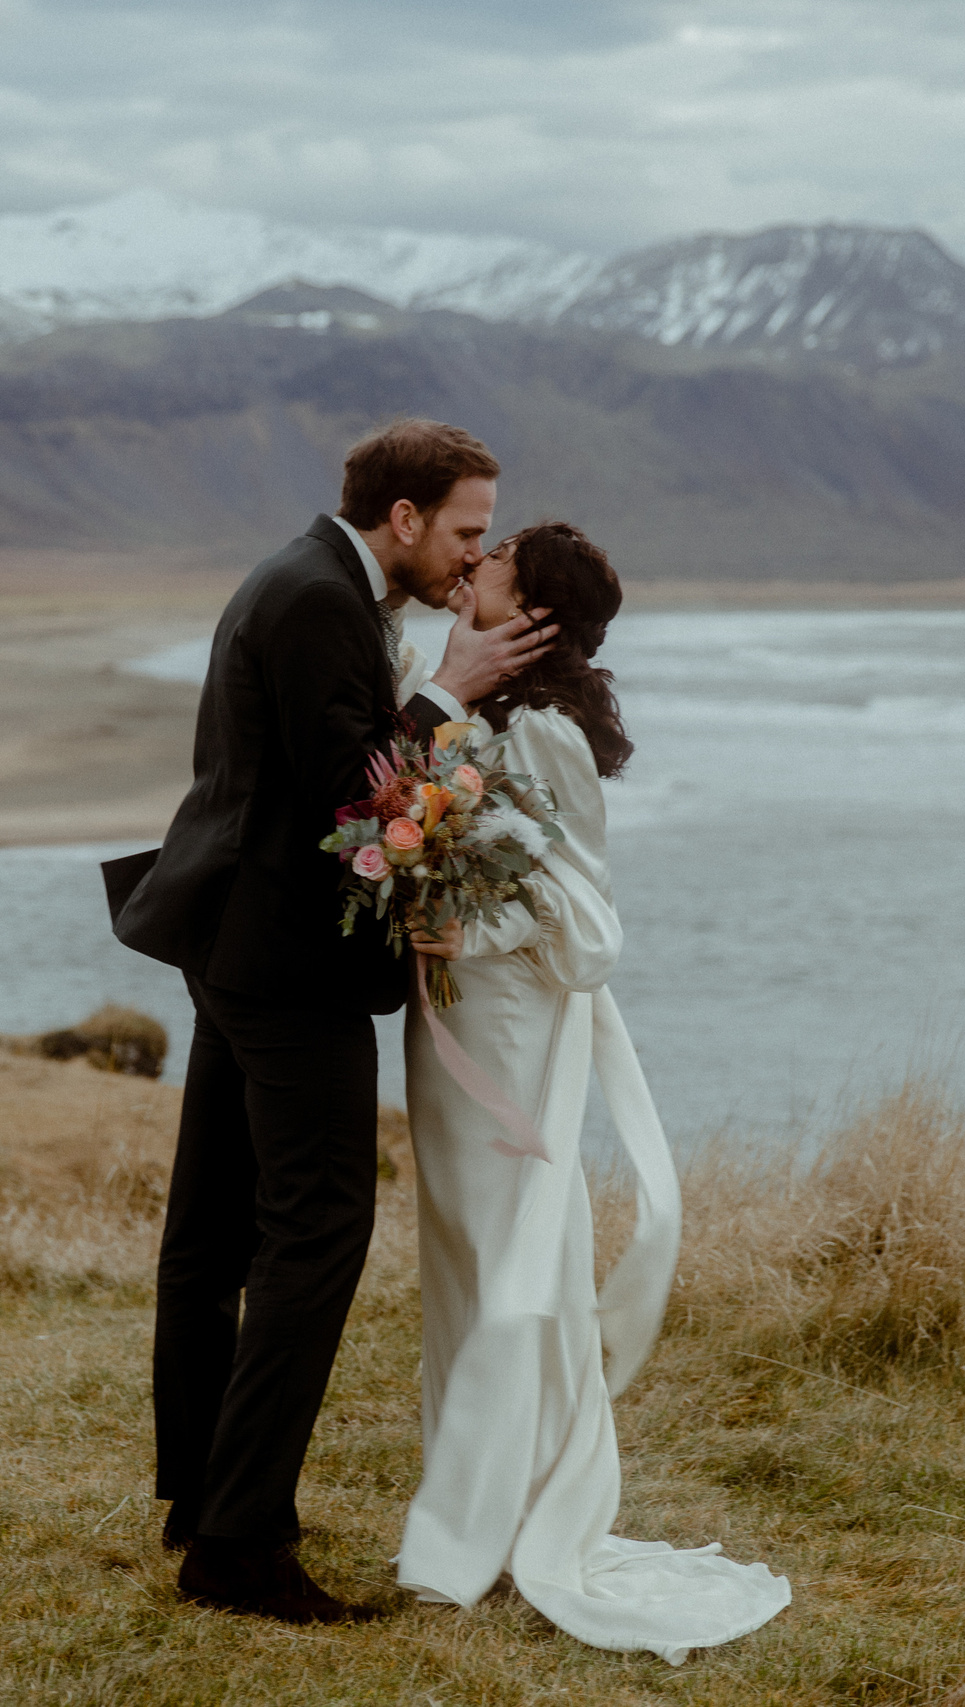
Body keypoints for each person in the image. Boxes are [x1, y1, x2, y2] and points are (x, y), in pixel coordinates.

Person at [104, 420, 557, 1625]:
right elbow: (346, 802)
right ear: (402, 518)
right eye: (465, 530)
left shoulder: (312, 581)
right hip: (283, 964)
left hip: (235, 949)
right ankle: (239, 1546)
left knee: (209, 1236)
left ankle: (203, 1503)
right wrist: (446, 694)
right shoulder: (313, 598)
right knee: (316, 1238)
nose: (472, 558)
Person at [396, 522, 791, 1663]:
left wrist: (469, 920)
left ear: (533, 617)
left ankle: (481, 1533)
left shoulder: (548, 733)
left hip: (509, 1023)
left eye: (496, 564)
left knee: (521, 1257)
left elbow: (586, 912)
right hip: (448, 1014)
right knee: (464, 1255)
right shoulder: (469, 711)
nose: (472, 568)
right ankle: (479, 1497)